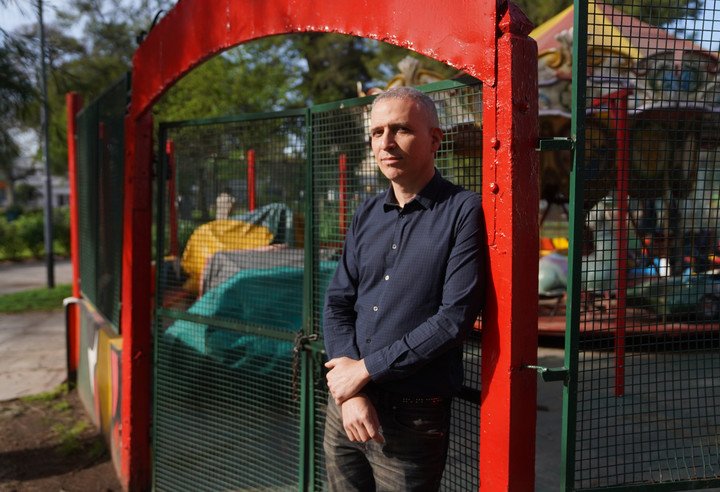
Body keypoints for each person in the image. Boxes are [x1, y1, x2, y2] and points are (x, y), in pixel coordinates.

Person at [323, 86, 485, 491]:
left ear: (434, 140)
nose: (386, 143)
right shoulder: (367, 212)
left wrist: (364, 371)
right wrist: (351, 391)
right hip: (346, 407)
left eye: (400, 129)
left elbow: (454, 319)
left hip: (413, 416)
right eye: (377, 132)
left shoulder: (464, 211)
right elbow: (338, 301)